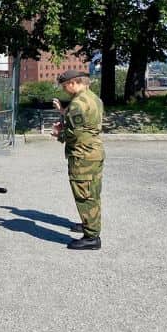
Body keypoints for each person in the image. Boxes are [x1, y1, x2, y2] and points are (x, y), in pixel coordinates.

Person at [50, 69, 104, 250]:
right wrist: (64, 117)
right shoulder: (93, 98)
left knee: (84, 194)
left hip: (83, 155)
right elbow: (85, 124)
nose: (65, 90)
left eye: (65, 87)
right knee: (92, 191)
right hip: (94, 152)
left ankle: (91, 237)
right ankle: (89, 223)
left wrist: (59, 133)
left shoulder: (78, 103)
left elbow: (75, 134)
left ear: (72, 83)